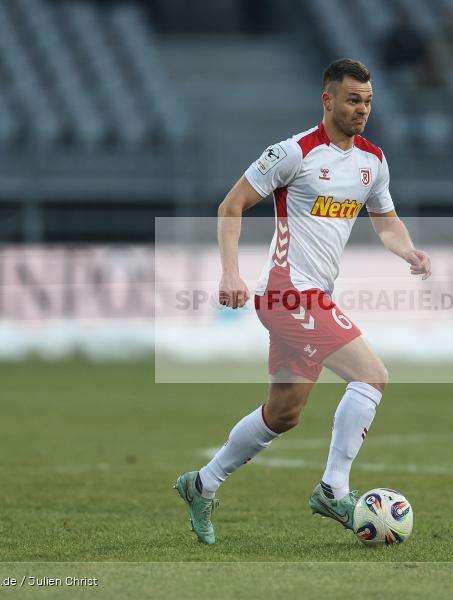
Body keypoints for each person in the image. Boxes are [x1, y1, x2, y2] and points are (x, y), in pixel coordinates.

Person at [174, 58, 432, 544]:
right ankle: (334, 488)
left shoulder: (372, 162)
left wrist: (407, 249)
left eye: (368, 102)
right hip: (287, 292)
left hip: (314, 297)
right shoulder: (293, 153)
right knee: (372, 376)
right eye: (353, 100)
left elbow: (385, 220)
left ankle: (202, 483)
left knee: (284, 414)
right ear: (328, 99)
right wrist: (230, 270)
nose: (362, 110)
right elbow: (231, 205)